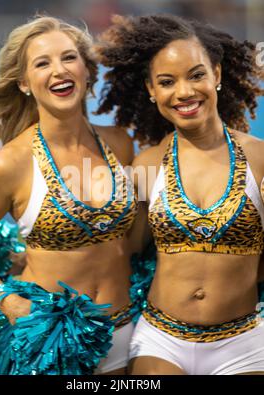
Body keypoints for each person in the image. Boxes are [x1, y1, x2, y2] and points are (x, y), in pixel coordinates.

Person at [0, 15, 139, 375]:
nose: (59, 70)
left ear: (87, 71)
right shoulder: (9, 164)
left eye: (68, 58)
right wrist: (8, 301)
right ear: (25, 83)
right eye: (43, 63)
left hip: (127, 333)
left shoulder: (121, 143)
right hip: (51, 348)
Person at [95, 14, 264, 375]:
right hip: (161, 341)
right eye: (167, 82)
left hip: (244, 343)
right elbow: (128, 252)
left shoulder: (260, 159)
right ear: (152, 90)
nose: (184, 92)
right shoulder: (147, 164)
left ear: (217, 75)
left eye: (197, 75)